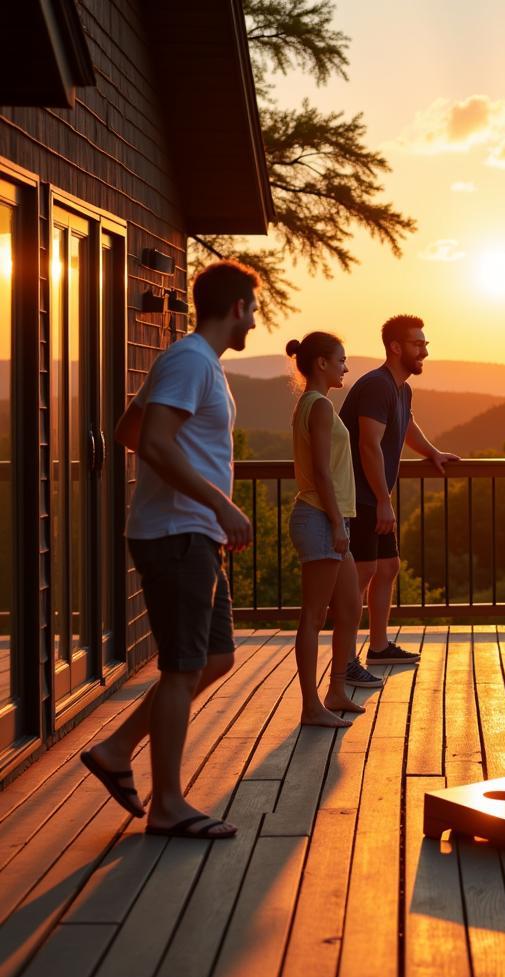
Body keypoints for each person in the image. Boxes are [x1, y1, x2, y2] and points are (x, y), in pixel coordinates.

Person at [80, 260, 260, 838]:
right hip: (178, 533)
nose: (254, 321)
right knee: (183, 667)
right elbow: (152, 443)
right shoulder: (190, 361)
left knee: (213, 658)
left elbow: (131, 432)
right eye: (252, 309)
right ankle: (168, 805)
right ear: (236, 308)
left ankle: (116, 749)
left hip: (190, 532)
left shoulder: (188, 361)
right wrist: (221, 504)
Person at [340, 314, 458, 672]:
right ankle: (345, 662)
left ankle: (378, 647)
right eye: (417, 344)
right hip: (360, 496)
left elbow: (406, 425)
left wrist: (432, 453)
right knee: (360, 574)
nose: (424, 350)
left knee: (388, 567)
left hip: (373, 496)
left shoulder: (400, 388)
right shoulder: (376, 385)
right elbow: (368, 445)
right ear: (395, 347)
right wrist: (383, 501)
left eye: (425, 344)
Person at [286, 331, 379, 725]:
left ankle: (337, 690)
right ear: (321, 363)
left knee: (348, 607)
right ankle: (311, 706)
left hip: (328, 519)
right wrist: (337, 524)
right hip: (320, 518)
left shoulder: (314, 404)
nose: (346, 366)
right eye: (341, 359)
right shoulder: (320, 407)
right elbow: (322, 472)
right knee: (313, 614)